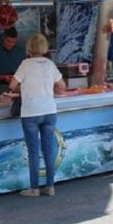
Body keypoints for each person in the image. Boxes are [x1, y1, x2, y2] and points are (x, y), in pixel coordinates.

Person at [9, 33, 66, 197]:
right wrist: (48, 89)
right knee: (49, 149)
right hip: (49, 111)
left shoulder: (25, 64)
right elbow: (62, 86)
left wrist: (25, 90)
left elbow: (12, 85)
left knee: (33, 151)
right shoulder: (50, 64)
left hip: (31, 113)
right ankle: (50, 187)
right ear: (44, 47)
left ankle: (34, 188)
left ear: (29, 48)